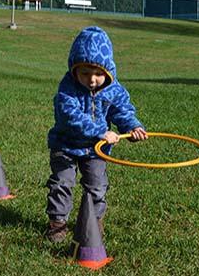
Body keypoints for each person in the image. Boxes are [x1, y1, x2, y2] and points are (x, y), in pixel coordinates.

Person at [45, 26, 148, 242]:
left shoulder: (113, 89)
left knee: (97, 187)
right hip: (65, 146)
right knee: (62, 183)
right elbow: (69, 116)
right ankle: (57, 224)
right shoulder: (67, 88)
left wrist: (132, 127)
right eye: (85, 73)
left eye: (98, 74)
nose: (92, 80)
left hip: (95, 151)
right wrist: (100, 131)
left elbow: (122, 110)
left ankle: (93, 223)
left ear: (108, 71)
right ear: (75, 69)